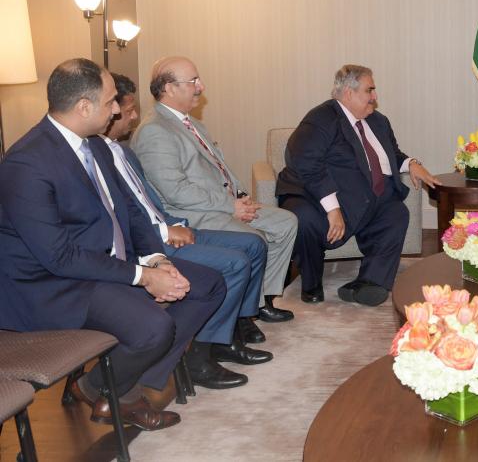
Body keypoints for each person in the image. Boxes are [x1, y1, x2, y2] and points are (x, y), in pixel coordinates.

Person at [0, 58, 224, 431]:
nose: (118, 110)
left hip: (101, 264)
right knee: (153, 328)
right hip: (51, 285)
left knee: (207, 285)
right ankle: (116, 389)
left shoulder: (97, 146)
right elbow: (59, 257)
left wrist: (156, 260)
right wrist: (143, 276)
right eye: (110, 102)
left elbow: (130, 212)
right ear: (83, 107)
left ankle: (111, 385)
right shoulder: (26, 164)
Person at [105, 73, 272, 390]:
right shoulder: (109, 153)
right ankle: (200, 355)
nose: (133, 116)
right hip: (148, 243)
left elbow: (147, 201)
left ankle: (231, 330)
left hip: (166, 226)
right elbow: (125, 216)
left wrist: (173, 224)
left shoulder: (120, 151)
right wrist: (163, 231)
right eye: (126, 110)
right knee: (233, 262)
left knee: (252, 244)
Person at [131, 56, 298, 323]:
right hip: (191, 213)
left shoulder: (192, 123)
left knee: (285, 222)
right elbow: (176, 191)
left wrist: (240, 196)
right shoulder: (155, 131)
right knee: (254, 238)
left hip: (221, 203)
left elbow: (219, 167)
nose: (201, 86)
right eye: (193, 81)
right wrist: (230, 206)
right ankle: (245, 314)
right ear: (169, 88)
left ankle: (263, 298)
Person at [276, 64, 441, 306]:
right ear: (348, 93)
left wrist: (411, 163)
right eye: (369, 90)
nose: (375, 96)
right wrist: (333, 208)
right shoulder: (321, 118)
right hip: (314, 195)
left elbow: (391, 154)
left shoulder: (378, 121)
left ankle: (369, 282)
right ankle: (311, 284)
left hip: (364, 198)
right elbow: (304, 162)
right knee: (304, 219)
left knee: (396, 214)